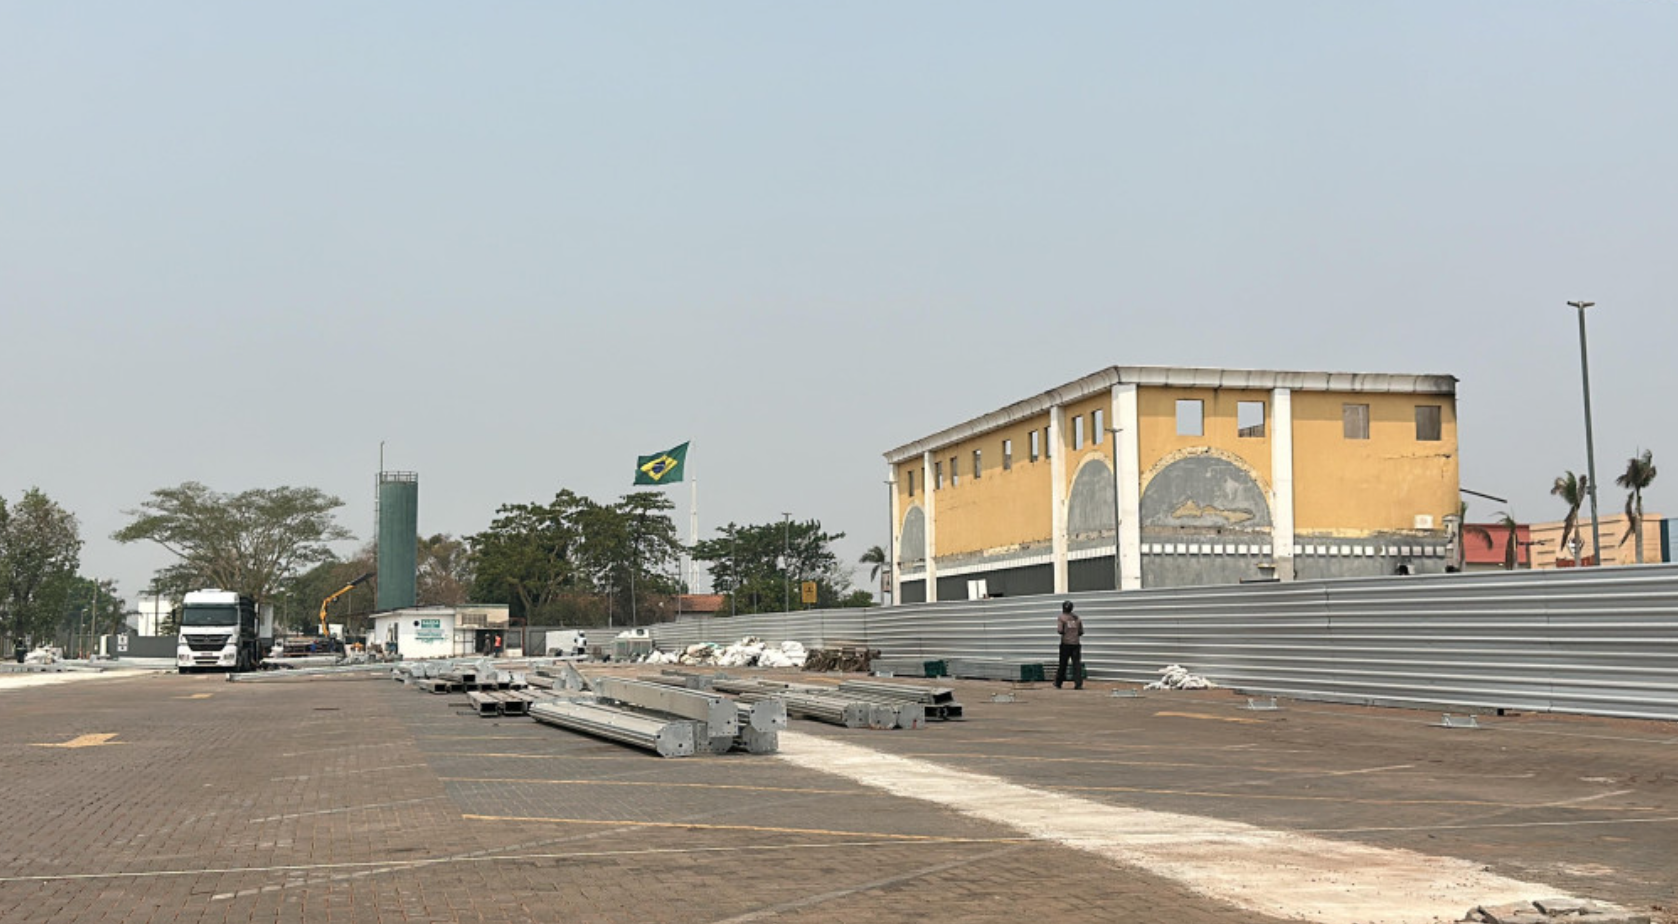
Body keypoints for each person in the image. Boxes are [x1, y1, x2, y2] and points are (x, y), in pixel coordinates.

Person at [1054, 600, 1084, 689]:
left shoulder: (1061, 617)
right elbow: (1081, 632)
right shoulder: (1077, 618)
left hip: (1066, 643)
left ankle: (1058, 682)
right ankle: (1078, 684)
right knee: (1076, 664)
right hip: (1076, 644)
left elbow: (1060, 630)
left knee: (1063, 664)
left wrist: (1066, 632)